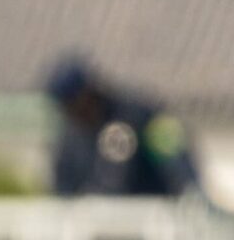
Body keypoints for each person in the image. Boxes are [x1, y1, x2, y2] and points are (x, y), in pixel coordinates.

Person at [43, 56, 198, 199]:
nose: (75, 113)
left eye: (75, 103)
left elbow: (177, 165)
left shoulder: (137, 116)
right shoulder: (70, 139)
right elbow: (63, 187)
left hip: (153, 217)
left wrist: (187, 193)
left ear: (88, 92)